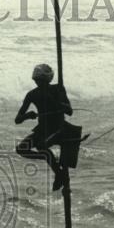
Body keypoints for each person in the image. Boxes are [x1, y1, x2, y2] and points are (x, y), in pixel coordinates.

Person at [14, 63, 75, 191]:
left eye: (41, 81)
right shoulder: (32, 94)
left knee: (42, 145)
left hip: (59, 127)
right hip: (42, 129)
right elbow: (17, 120)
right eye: (37, 81)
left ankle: (58, 173)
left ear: (48, 80)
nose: (39, 84)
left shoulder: (58, 89)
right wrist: (27, 115)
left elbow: (69, 111)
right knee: (21, 149)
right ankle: (53, 164)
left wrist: (59, 104)